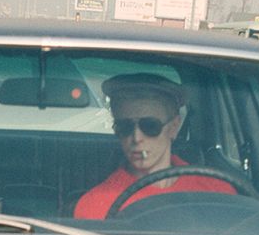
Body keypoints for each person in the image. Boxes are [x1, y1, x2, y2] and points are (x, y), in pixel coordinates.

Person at [73, 73, 235, 219]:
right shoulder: (95, 205)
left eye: (150, 126)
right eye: (125, 127)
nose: (136, 138)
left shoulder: (215, 192)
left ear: (173, 128)